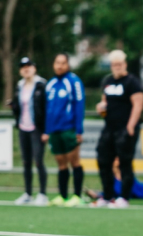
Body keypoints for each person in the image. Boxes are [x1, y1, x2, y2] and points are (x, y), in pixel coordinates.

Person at [92, 50, 143, 208]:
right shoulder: (107, 81)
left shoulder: (132, 82)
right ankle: (107, 196)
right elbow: (104, 103)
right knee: (103, 160)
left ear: (125, 64)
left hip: (125, 128)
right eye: (114, 64)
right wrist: (101, 108)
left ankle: (124, 197)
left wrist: (131, 126)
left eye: (120, 64)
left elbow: (138, 104)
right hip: (109, 127)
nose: (117, 67)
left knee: (125, 163)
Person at [43, 53, 85, 207]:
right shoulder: (51, 84)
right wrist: (47, 131)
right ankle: (62, 195)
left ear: (67, 65)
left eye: (63, 63)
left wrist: (79, 130)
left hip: (69, 129)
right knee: (61, 163)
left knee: (74, 161)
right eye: (57, 62)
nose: (59, 66)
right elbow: (48, 109)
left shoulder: (73, 81)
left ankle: (77, 196)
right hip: (54, 130)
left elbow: (79, 105)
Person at [7, 57, 48, 206]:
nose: (26, 69)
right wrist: (13, 105)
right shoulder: (20, 85)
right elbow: (20, 106)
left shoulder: (41, 85)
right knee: (26, 162)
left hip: (37, 128)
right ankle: (28, 193)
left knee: (38, 161)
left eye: (28, 66)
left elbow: (46, 109)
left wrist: (46, 130)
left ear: (34, 68)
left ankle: (42, 193)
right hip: (23, 127)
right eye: (23, 66)